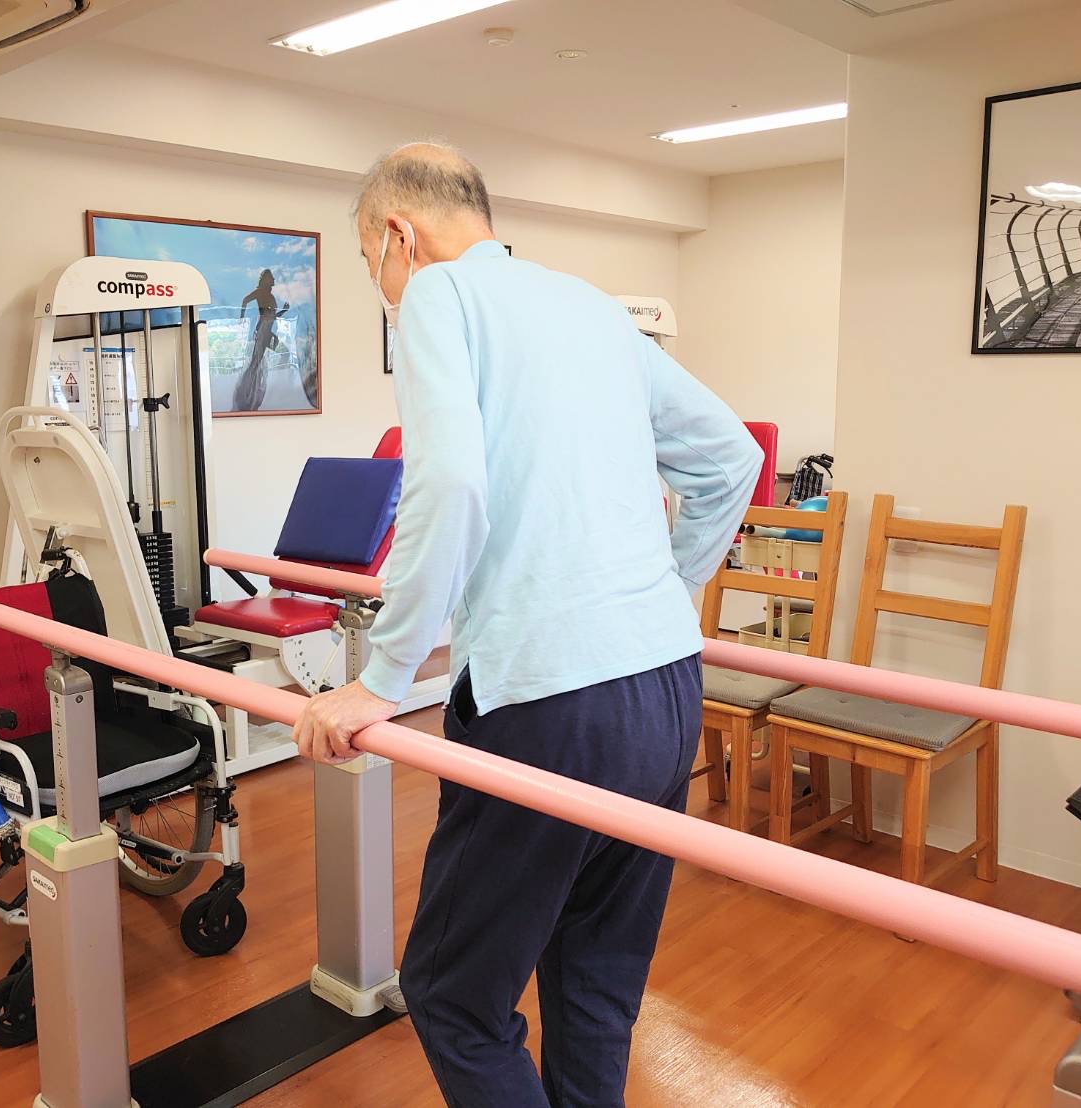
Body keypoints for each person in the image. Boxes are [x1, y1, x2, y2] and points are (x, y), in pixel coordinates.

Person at [292, 142, 762, 1106]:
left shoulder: (438, 294)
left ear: (397, 234)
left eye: (371, 263)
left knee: (452, 996)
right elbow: (730, 458)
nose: (382, 286)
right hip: (666, 689)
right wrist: (662, 593)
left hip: (551, 707)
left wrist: (381, 678)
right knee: (594, 981)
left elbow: (451, 484)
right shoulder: (589, 305)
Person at [234, 268, 289, 411]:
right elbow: (245, 300)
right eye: (271, 278)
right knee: (256, 362)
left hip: (267, 331)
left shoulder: (270, 296)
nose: (274, 280)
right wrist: (242, 318)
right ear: (266, 280)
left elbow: (273, 317)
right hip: (263, 330)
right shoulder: (260, 292)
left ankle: (250, 391)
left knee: (268, 358)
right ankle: (246, 393)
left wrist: (284, 311)